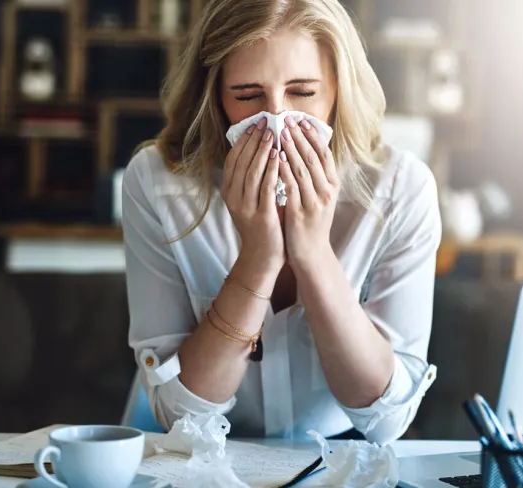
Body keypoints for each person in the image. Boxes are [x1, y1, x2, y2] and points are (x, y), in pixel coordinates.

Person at [124, 0, 441, 445]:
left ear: (337, 91)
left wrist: (313, 254)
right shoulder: (158, 183)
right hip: (205, 459)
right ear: (214, 96)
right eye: (248, 96)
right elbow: (179, 415)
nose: (275, 122)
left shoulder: (400, 190)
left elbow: (387, 420)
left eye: (303, 93)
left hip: (340, 460)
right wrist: (258, 258)